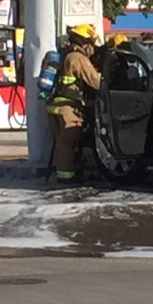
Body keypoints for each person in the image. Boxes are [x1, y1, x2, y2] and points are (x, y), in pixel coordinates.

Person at [46, 23, 102, 186]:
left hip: (55, 106)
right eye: (91, 44)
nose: (92, 48)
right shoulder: (78, 58)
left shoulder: (65, 54)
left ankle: (66, 172)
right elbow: (96, 82)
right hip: (68, 108)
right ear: (85, 42)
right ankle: (66, 177)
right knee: (68, 143)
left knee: (61, 143)